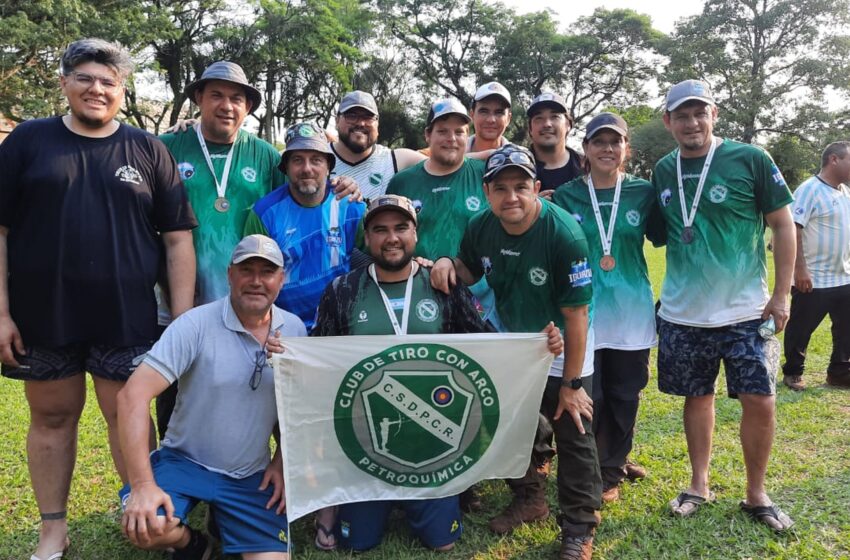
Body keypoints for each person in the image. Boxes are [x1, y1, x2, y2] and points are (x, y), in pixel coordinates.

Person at [0, 38, 197, 560]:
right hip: (44, 315)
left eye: (109, 82)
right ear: (64, 83)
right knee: (52, 420)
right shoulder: (27, 141)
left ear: (122, 91)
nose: (97, 89)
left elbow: (178, 239)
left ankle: (146, 512)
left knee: (128, 419)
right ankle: (52, 531)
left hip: (126, 317)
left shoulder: (147, 148)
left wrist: (181, 321)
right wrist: (0, 314)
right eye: (85, 78)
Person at [312, 194, 564, 552]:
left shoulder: (441, 284)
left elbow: (487, 345)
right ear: (367, 239)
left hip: (433, 449)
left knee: (442, 543)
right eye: (380, 230)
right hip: (366, 448)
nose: (392, 238)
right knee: (359, 543)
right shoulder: (343, 291)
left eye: (401, 227)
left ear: (416, 234)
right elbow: (317, 358)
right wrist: (286, 355)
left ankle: (423, 498)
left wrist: (537, 344)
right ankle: (370, 501)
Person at [156, 61, 360, 438]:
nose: (226, 105)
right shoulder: (166, 146)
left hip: (250, 301)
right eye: (216, 95)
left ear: (248, 107)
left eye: (236, 97)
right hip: (179, 299)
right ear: (198, 98)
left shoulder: (266, 155)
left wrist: (340, 182)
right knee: (176, 395)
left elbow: (299, 193)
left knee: (246, 397)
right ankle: (174, 485)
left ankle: (242, 476)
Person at [432, 144, 601, 560]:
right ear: (487, 192)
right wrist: (445, 263)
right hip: (513, 341)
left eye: (521, 187)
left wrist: (572, 383)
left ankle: (579, 527)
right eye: (501, 188)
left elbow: (576, 314)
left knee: (573, 427)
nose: (511, 197)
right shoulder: (480, 225)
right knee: (508, 425)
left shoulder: (563, 233)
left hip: (564, 343)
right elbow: (470, 269)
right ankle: (530, 498)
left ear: (537, 188)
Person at [653, 79, 796, 531]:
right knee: (697, 397)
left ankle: (756, 493)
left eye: (700, 113)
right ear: (668, 121)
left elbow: (783, 225)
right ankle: (699, 484)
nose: (691, 122)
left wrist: (782, 292)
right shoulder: (662, 169)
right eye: (682, 115)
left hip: (747, 310)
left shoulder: (751, 159)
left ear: (714, 114)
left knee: (761, 399)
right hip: (683, 311)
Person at [118, 235, 304, 560]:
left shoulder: (295, 330)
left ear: (281, 279)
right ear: (230, 274)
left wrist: (282, 461)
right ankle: (192, 544)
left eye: (267, 271)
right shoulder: (194, 324)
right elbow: (131, 397)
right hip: (184, 461)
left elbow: (300, 409)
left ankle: (224, 516)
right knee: (147, 528)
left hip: (249, 472)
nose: (257, 281)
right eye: (247, 270)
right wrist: (143, 486)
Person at [552, 113, 665, 503]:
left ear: (625, 150)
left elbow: (668, 235)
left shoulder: (643, 193)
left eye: (614, 142)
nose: (607, 148)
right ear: (585, 149)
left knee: (625, 393)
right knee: (587, 394)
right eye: (598, 142)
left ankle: (612, 468)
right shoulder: (566, 195)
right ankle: (587, 467)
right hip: (582, 313)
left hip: (631, 312)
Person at [243, 122, 366, 332]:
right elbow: (254, 277)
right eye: (297, 160)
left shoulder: (351, 206)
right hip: (283, 330)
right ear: (286, 167)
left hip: (341, 328)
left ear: (328, 166)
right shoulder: (264, 213)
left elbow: (380, 257)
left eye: (316, 160)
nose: (307, 169)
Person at [782, 141, 850, 390]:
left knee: (845, 330)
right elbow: (793, 228)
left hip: (843, 276)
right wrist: (799, 269)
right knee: (801, 328)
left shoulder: (845, 191)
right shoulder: (809, 189)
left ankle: (840, 373)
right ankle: (793, 372)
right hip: (813, 277)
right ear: (834, 160)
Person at [329, 90, 426, 201]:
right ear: (337, 121)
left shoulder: (394, 160)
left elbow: (441, 166)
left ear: (377, 124)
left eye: (368, 117)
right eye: (351, 116)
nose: (360, 123)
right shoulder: (318, 156)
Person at [526, 92, 583, 195]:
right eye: (539, 118)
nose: (547, 124)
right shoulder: (517, 166)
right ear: (530, 129)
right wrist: (532, 207)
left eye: (554, 117)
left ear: (568, 125)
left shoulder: (587, 166)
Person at [468, 82, 512, 152]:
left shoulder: (521, 159)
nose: (491, 120)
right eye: (484, 112)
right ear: (472, 115)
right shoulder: (451, 154)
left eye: (499, 113)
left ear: (508, 119)